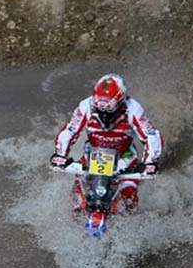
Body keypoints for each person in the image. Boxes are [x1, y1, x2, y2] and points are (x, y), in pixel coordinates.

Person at [50, 73, 163, 212]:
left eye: (109, 111)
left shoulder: (134, 108)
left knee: (129, 195)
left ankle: (132, 225)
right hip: (93, 156)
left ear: (121, 101)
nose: (104, 115)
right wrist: (60, 155)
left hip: (124, 158)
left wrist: (149, 162)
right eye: (99, 110)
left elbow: (150, 135)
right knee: (78, 197)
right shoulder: (86, 106)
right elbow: (70, 130)